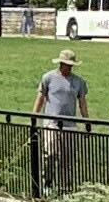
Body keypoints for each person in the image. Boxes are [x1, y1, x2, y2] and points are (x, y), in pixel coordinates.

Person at [32, 50, 89, 188]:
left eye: (71, 66)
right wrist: (33, 117)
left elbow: (82, 102)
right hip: (51, 123)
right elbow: (40, 98)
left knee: (67, 158)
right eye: (66, 65)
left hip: (69, 125)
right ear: (61, 64)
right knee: (50, 153)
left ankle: (65, 186)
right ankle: (47, 183)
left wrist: (87, 120)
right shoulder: (48, 78)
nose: (68, 68)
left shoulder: (79, 81)